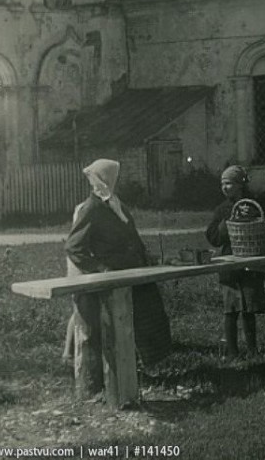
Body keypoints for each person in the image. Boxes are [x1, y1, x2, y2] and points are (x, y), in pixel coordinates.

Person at [64, 159, 172, 388]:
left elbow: (132, 236)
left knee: (149, 314)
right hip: (113, 278)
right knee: (117, 326)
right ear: (104, 179)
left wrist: (146, 257)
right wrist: (101, 269)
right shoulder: (91, 208)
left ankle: (140, 368)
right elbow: (74, 247)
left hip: (133, 273)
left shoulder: (116, 205)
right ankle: (117, 379)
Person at [206, 165, 265, 357]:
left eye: (229, 183)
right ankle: (232, 351)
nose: (225, 187)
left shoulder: (253, 205)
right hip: (229, 263)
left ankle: (252, 349)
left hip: (250, 259)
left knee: (248, 308)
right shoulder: (222, 209)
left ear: (240, 185)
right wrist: (226, 224)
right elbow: (213, 236)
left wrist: (255, 217)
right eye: (222, 184)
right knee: (230, 308)